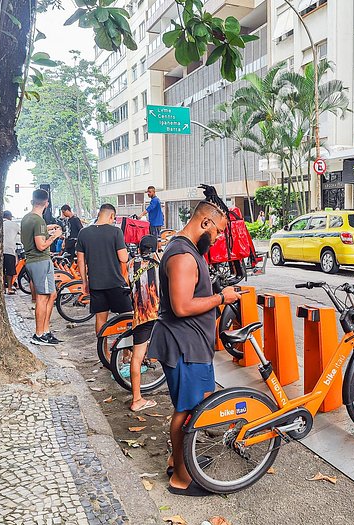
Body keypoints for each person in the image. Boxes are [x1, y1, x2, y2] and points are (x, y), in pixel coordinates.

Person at [148, 201, 241, 497]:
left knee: (192, 407)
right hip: (184, 345)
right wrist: (221, 298)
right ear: (204, 223)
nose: (216, 239)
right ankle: (181, 478)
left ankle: (179, 460)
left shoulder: (187, 250)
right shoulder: (183, 256)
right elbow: (182, 305)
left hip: (191, 343)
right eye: (217, 233)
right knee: (187, 411)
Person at [76, 204, 133, 338]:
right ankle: (126, 353)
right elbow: (123, 258)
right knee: (126, 317)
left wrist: (85, 282)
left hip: (96, 284)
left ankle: (104, 352)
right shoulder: (115, 232)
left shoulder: (83, 233)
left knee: (100, 318)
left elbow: (80, 261)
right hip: (115, 282)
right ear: (112, 216)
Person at [22, 189, 63, 345]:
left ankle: (45, 331)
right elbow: (40, 245)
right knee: (42, 297)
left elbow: (36, 233)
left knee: (51, 295)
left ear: (33, 201)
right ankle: (39, 334)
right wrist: (54, 236)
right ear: (47, 203)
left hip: (34, 261)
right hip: (40, 260)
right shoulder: (38, 221)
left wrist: (48, 228)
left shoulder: (28, 218)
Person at [128, 234, 160, 412]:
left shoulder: (132, 263)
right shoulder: (158, 263)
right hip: (156, 313)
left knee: (136, 357)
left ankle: (137, 399)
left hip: (139, 315)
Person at [2, 210, 20, 295]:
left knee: (1, 270)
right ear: (10, 216)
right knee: (10, 271)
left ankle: (2, 288)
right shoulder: (14, 225)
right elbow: (21, 233)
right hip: (9, 250)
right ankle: (9, 288)